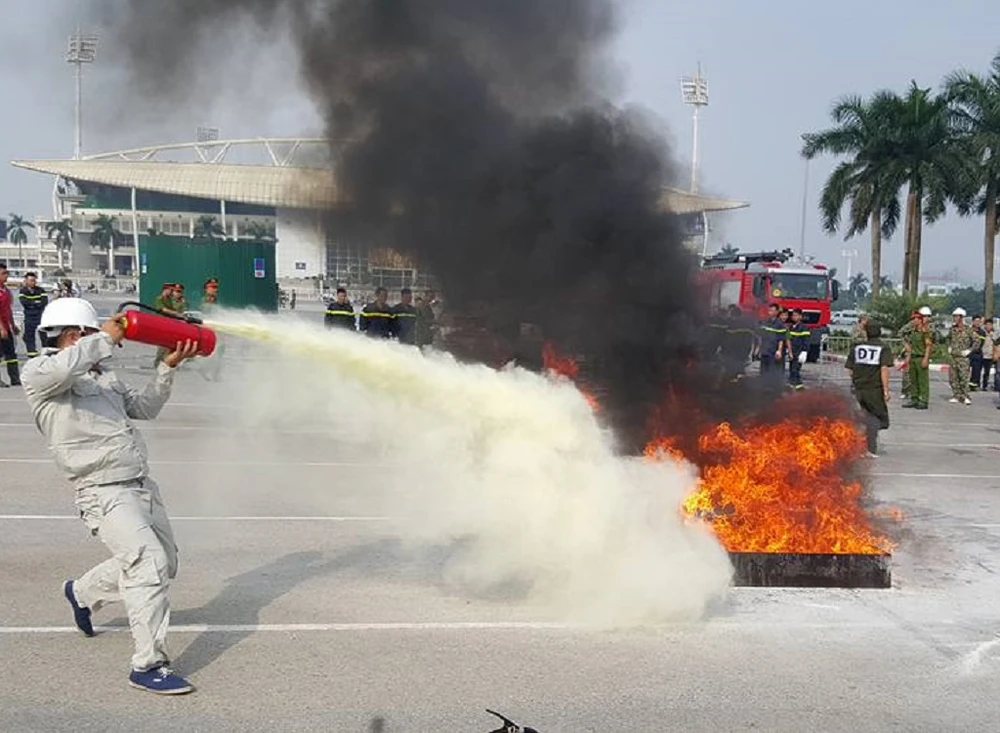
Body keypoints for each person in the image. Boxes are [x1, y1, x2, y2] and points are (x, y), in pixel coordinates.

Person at [21, 298, 199, 695]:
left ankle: (82, 593)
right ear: (74, 335)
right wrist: (106, 335)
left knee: (163, 564)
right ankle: (148, 665)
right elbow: (67, 366)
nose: (107, 345)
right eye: (92, 336)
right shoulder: (41, 375)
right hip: (101, 490)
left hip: (139, 484)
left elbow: (144, 408)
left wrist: (165, 369)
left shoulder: (104, 378)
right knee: (147, 564)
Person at [845, 321, 894, 457]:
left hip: (859, 389)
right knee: (882, 420)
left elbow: (849, 369)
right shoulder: (883, 348)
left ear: (866, 332)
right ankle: (866, 445)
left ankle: (866, 446)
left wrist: (857, 380)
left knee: (868, 417)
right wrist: (886, 390)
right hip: (874, 389)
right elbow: (884, 369)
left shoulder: (857, 348)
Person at [903, 306, 934, 410]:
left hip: (921, 357)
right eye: (913, 319)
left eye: (916, 319)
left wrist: (926, 358)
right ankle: (914, 398)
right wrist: (908, 358)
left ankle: (924, 400)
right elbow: (910, 345)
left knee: (922, 380)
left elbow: (929, 346)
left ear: (920, 320)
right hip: (913, 357)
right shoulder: (913, 332)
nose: (914, 321)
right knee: (913, 380)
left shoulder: (925, 332)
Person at [0, 263, 22, 387]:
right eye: (3, 273)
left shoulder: (7, 291)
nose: (6, 276)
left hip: (7, 326)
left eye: (6, 273)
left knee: (11, 354)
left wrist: (13, 326)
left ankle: (15, 378)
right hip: (1, 327)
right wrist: (1, 328)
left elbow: (8, 310)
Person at [947, 307, 974, 405]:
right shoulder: (952, 329)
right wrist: (949, 346)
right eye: (954, 316)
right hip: (953, 356)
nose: (954, 318)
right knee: (953, 377)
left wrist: (969, 350)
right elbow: (948, 338)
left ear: (961, 317)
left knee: (963, 378)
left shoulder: (968, 329)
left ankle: (966, 396)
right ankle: (956, 395)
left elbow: (977, 341)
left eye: (956, 316)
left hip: (963, 357)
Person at [19, 271, 49, 357]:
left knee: (44, 334)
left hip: (40, 316)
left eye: (34, 280)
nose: (33, 282)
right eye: (31, 280)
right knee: (29, 335)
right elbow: (24, 302)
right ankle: (31, 352)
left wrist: (33, 304)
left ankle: (45, 351)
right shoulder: (23, 291)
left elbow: (44, 302)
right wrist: (36, 303)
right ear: (26, 281)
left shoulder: (41, 290)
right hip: (29, 317)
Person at [756, 303, 786, 385]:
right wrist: (758, 349)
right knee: (763, 371)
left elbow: (781, 339)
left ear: (776, 312)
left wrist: (779, 350)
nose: (770, 312)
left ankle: (771, 388)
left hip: (773, 351)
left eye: (772, 310)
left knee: (772, 371)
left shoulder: (780, 324)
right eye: (769, 310)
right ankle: (763, 387)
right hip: (765, 350)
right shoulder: (765, 322)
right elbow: (761, 337)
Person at [151, 284, 179, 368]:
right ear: (165, 289)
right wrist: (175, 313)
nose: (171, 292)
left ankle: (165, 363)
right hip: (161, 325)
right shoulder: (159, 299)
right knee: (162, 346)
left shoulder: (169, 299)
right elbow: (163, 309)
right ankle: (157, 363)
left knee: (168, 345)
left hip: (168, 325)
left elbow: (173, 309)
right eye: (170, 290)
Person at [786, 308, 810, 390]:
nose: (794, 317)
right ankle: (792, 386)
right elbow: (789, 339)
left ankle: (799, 387)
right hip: (792, 352)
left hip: (799, 352)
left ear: (800, 316)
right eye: (793, 315)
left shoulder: (804, 328)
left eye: (796, 315)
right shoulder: (791, 327)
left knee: (795, 370)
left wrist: (804, 351)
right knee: (791, 370)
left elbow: (806, 340)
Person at [970, 314, 986, 391]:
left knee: (976, 370)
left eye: (979, 321)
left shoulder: (982, 332)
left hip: (977, 353)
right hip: (967, 353)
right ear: (972, 321)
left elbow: (981, 343)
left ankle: (973, 385)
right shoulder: (968, 330)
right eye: (976, 321)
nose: (977, 323)